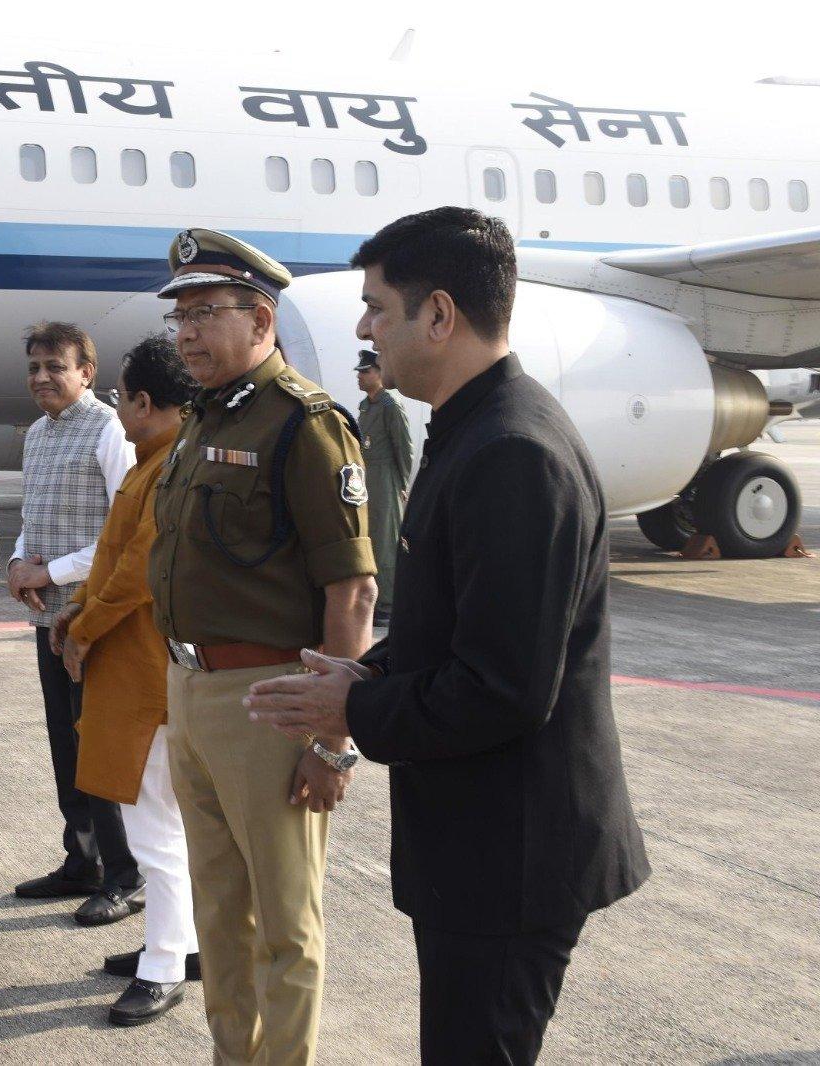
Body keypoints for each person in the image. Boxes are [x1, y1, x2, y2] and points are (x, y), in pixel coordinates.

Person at [245, 207, 650, 1064]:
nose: (363, 327)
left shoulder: (512, 452)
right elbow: (453, 631)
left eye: (377, 308)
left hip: (512, 853)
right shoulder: (474, 428)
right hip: (484, 843)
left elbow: (502, 687)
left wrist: (355, 709)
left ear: (439, 314)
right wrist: (365, 674)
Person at [149, 228, 377, 1065]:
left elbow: (351, 591)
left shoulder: (306, 425)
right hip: (194, 692)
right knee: (219, 916)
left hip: (275, 699)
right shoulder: (204, 417)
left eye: (207, 313)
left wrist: (332, 739)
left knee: (286, 921)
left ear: (262, 317)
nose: (187, 334)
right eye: (180, 318)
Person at [51, 336, 202, 1027]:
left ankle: (165, 965)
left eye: (119, 396)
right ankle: (178, 944)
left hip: (148, 675)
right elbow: (117, 562)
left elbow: (137, 572)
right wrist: (80, 615)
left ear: (144, 403)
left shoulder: (169, 468)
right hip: (139, 669)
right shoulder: (153, 463)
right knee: (164, 824)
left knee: (155, 832)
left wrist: (81, 627)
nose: (117, 408)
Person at [7, 322, 143, 926]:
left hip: (96, 617)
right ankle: (80, 860)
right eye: (35, 366)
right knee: (65, 741)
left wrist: (51, 571)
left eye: (55, 366)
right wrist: (16, 561)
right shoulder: (36, 434)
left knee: (99, 743)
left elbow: (126, 530)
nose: (42, 378)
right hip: (50, 620)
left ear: (87, 372)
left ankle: (126, 873)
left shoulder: (108, 430)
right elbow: (33, 514)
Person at [355, 348, 414, 627]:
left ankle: (388, 603)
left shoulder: (390, 406)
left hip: (386, 477)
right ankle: (376, 598)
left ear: (379, 374)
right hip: (367, 478)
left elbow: (403, 448)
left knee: (386, 540)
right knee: (370, 537)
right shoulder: (366, 406)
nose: (360, 377)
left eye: (365, 372)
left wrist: (401, 483)